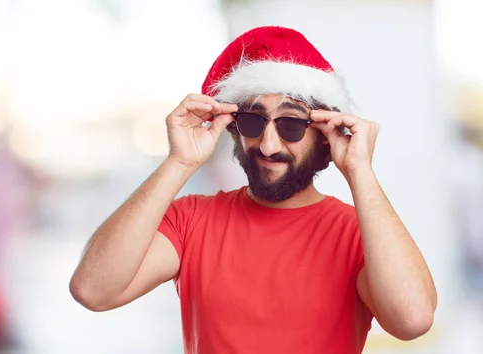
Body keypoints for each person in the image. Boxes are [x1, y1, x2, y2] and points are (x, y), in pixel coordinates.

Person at [69, 26, 437, 353]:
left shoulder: (358, 232)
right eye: (252, 120)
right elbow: (93, 290)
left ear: (324, 134)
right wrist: (178, 163)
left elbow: (413, 320)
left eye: (291, 123)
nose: (268, 144)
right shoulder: (191, 220)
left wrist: (361, 171)